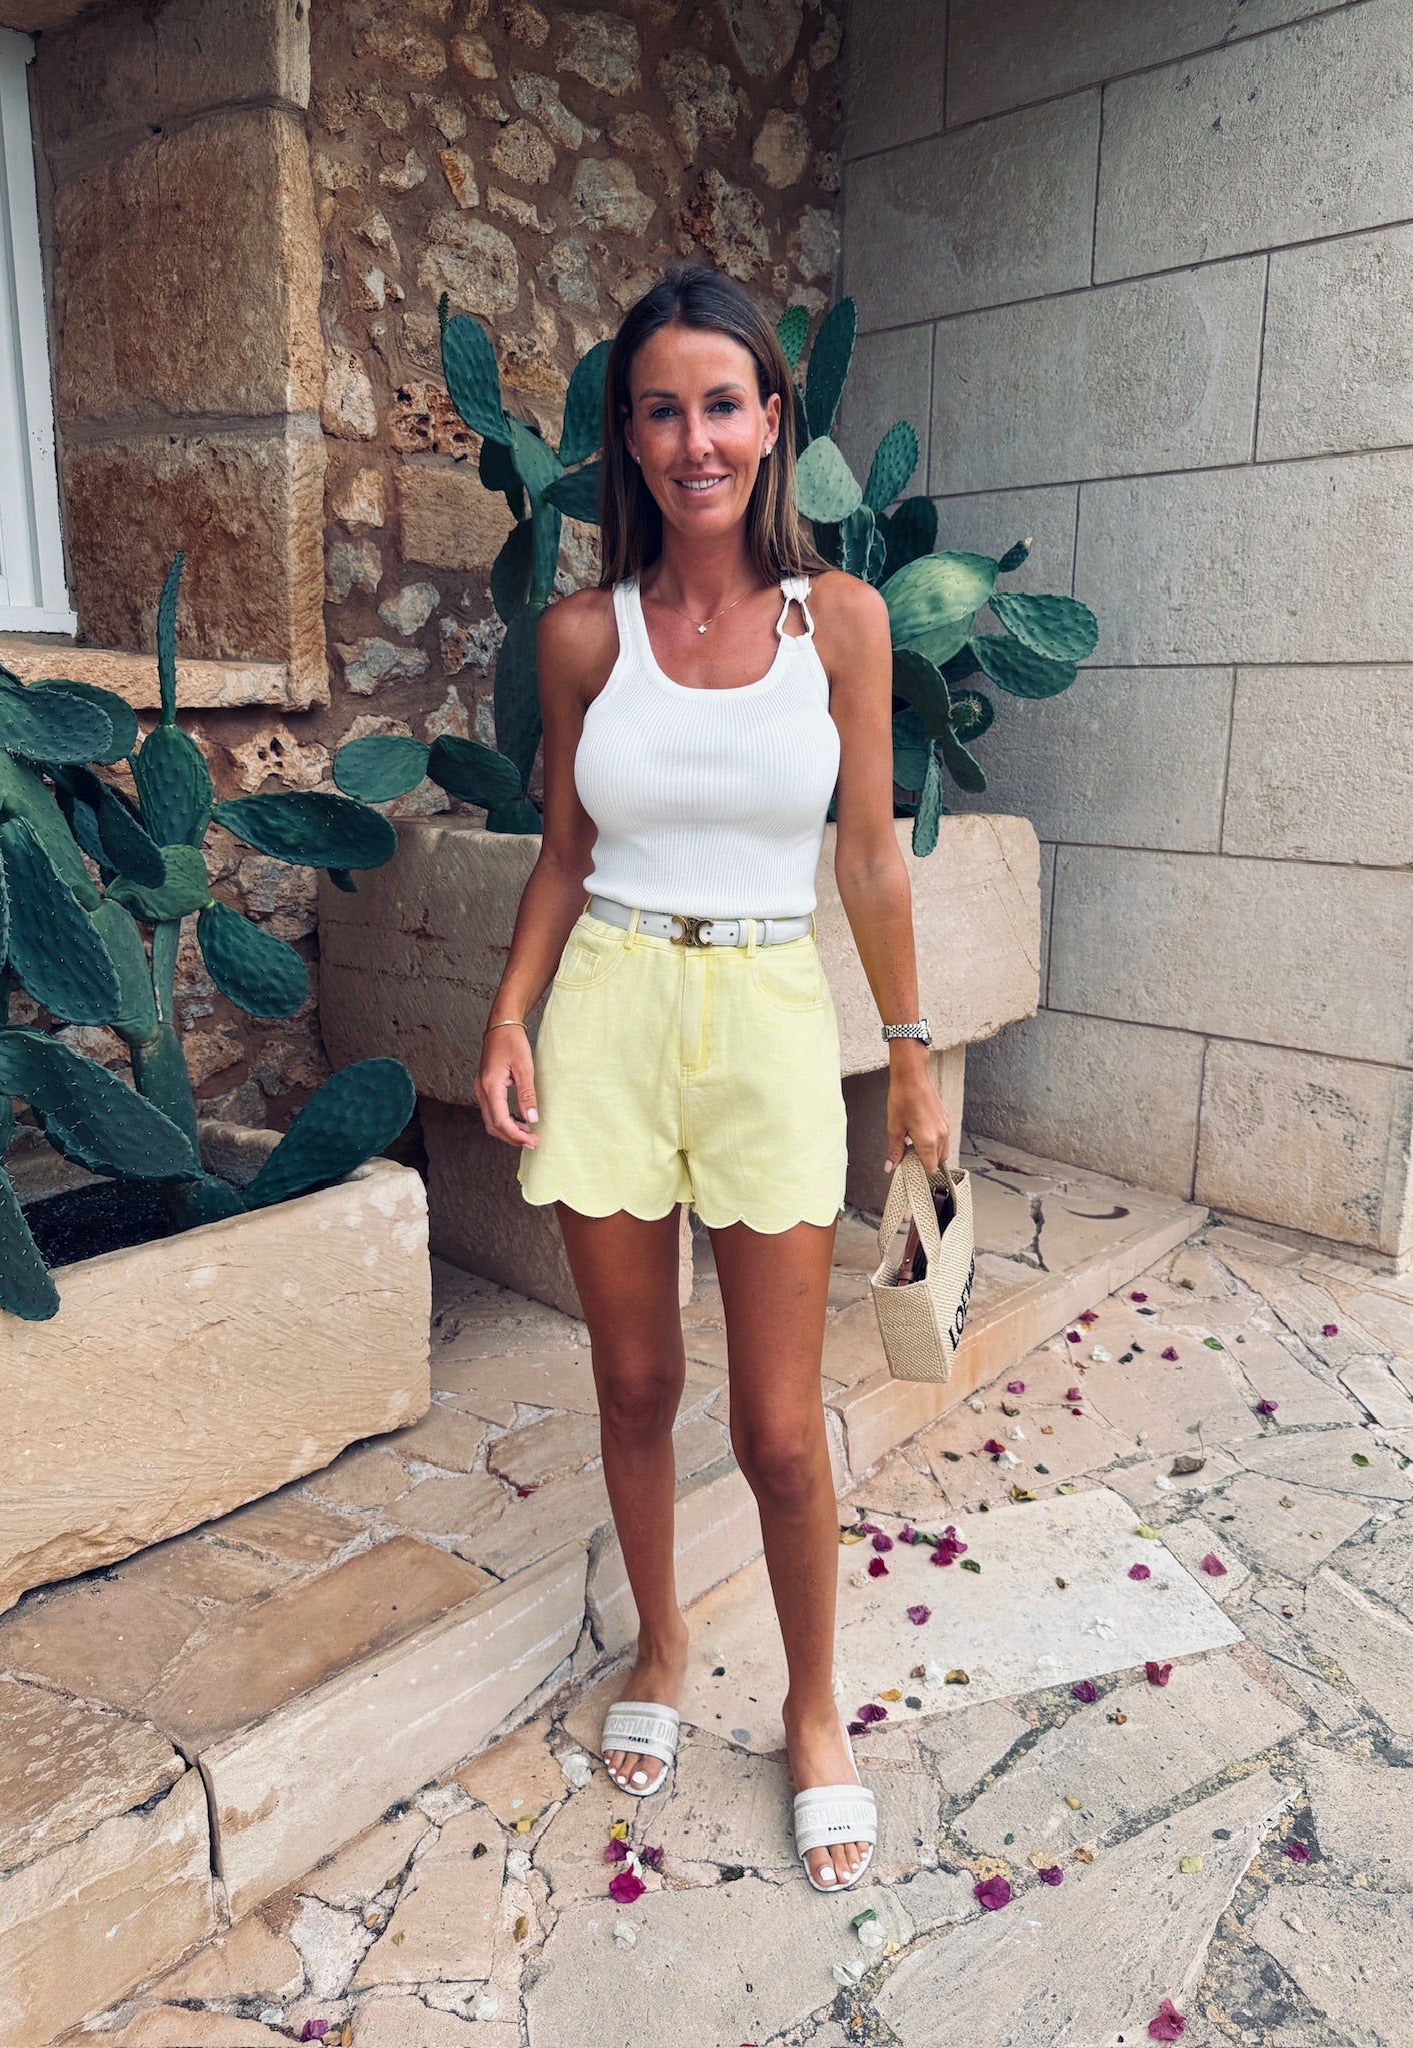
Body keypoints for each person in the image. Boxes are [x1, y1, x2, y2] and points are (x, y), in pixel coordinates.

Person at [475, 262, 949, 1893]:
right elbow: (562, 854)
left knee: (779, 1428)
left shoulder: (846, 624)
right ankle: (664, 1646)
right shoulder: (580, 635)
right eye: (663, 410)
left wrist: (911, 1057)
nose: (697, 440)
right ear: (628, 433)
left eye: (725, 404)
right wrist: (511, 1016)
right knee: (631, 1387)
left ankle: (815, 1709)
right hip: (608, 1011)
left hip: (764, 1017)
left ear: (772, 421)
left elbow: (870, 860)